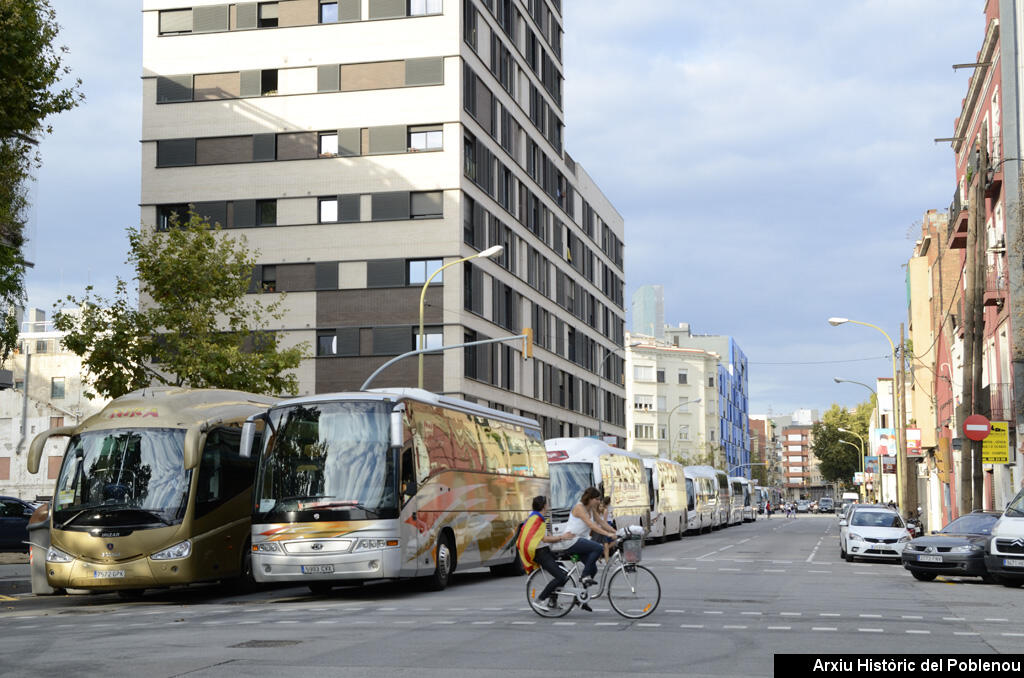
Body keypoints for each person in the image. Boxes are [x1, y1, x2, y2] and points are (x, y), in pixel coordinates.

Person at [516, 496, 582, 610]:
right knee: (561, 577)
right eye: (547, 504)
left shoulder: (536, 517)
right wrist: (561, 537)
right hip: (541, 553)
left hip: (545, 551)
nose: (548, 506)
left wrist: (563, 538)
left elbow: (545, 537)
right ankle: (540, 599)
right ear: (543, 506)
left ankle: (552, 601)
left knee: (564, 575)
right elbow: (544, 539)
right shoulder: (537, 519)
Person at [552, 486, 616, 588]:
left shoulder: (591, 509)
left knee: (593, 569)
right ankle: (584, 576)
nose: (599, 502)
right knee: (599, 548)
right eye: (597, 499)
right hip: (571, 540)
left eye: (599, 499)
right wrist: (607, 534)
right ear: (590, 499)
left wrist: (615, 531)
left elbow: (601, 522)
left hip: (580, 541)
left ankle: (581, 597)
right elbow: (591, 525)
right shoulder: (579, 507)